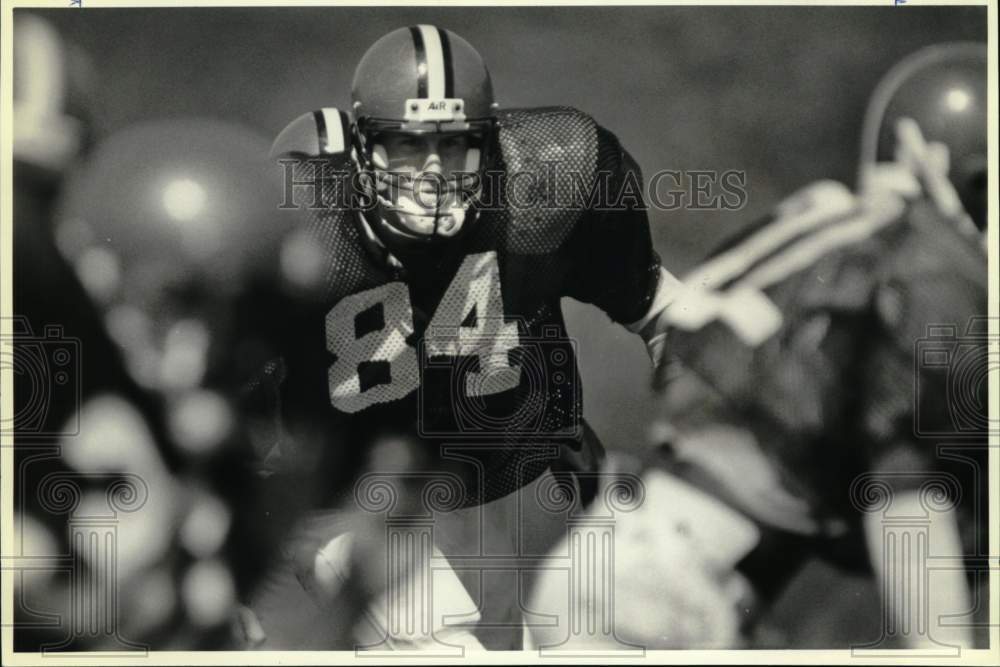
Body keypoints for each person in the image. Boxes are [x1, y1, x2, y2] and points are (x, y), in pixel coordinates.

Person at [260, 24, 684, 650]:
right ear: (361, 151)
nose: (432, 174)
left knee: (609, 636)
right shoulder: (300, 235)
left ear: (490, 142)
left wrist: (694, 445)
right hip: (371, 503)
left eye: (454, 144)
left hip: (527, 466)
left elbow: (663, 311)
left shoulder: (549, 179)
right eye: (407, 146)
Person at [642, 42, 988, 649]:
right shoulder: (929, 285)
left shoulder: (848, 257)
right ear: (974, 187)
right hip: (673, 596)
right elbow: (910, 537)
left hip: (653, 565)